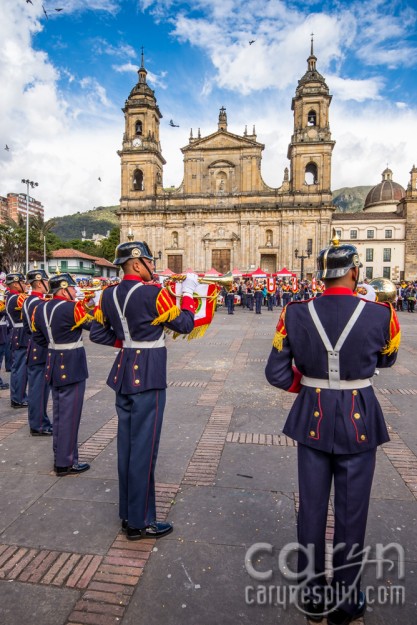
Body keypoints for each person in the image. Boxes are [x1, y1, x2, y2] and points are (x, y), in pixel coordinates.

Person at [265, 239, 400, 625]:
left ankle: (311, 594)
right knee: (351, 511)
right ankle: (344, 599)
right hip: (359, 417)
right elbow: (386, 360)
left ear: (322, 275)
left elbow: (275, 372)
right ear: (355, 271)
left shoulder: (295, 311)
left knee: (310, 510)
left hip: (313, 416)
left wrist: (308, 385)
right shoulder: (380, 313)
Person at [90, 241, 196, 541]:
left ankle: (127, 514)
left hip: (124, 370)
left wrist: (127, 341)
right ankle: (140, 521)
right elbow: (185, 325)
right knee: (144, 450)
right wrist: (188, 293)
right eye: (150, 261)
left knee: (127, 446)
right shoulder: (154, 293)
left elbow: (98, 332)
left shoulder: (108, 293)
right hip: (148, 373)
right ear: (137, 264)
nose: (153, 266)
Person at [32, 273, 92, 475]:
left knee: (60, 413)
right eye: (73, 288)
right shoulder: (72, 308)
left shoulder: (40, 308)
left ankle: (61, 455)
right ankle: (65, 462)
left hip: (53, 360)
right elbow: (92, 325)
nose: (76, 291)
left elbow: (38, 337)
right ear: (64, 288)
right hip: (71, 364)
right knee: (69, 415)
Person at [22, 269, 53, 436]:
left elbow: (28, 329)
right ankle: (39, 424)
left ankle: (40, 421)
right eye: (47, 282)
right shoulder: (40, 303)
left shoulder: (28, 301)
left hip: (33, 346)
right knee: (39, 391)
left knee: (37, 388)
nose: (48, 284)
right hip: (41, 349)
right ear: (40, 283)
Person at [5, 273, 29, 407]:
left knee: (17, 368)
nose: (25, 284)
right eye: (22, 282)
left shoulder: (10, 296)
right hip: (22, 333)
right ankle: (18, 397)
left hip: (17, 332)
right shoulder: (18, 298)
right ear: (15, 284)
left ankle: (17, 396)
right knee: (21, 369)